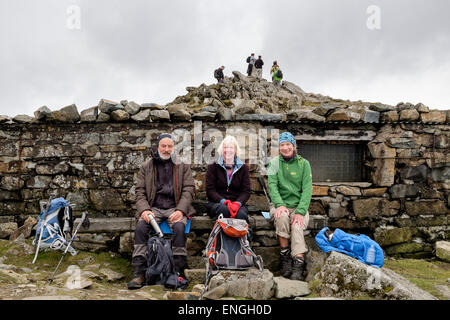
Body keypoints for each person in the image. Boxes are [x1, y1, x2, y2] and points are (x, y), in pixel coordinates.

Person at [127, 133, 196, 290]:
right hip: (153, 208)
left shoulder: (183, 166)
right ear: (157, 147)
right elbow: (140, 191)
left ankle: (178, 272)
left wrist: (180, 210)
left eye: (169, 146)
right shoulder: (147, 166)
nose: (166, 149)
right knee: (141, 228)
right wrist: (144, 210)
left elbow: (189, 189)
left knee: (179, 228)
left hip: (175, 207)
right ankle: (139, 273)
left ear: (174, 148)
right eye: (163, 146)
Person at [267, 132, 312, 281]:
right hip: (279, 205)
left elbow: (307, 190)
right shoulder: (274, 163)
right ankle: (285, 257)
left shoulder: (304, 164)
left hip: (299, 206)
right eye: (282, 145)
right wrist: (279, 205)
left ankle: (298, 264)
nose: (285, 148)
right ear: (279, 147)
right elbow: (272, 186)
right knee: (282, 218)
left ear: (294, 146)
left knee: (297, 225)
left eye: (288, 144)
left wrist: (300, 212)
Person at [205, 135, 251, 236]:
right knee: (223, 210)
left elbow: (246, 191)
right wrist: (224, 202)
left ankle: (243, 246)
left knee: (242, 215)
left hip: (237, 203)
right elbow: (210, 190)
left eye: (231, 147)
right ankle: (219, 243)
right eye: (225, 147)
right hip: (216, 203)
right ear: (222, 149)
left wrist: (237, 203)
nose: (228, 150)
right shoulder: (213, 166)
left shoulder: (243, 168)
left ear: (235, 150)